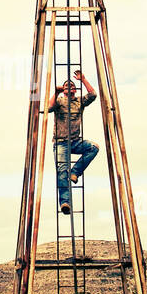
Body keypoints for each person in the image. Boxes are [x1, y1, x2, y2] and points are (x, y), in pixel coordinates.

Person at [48, 70, 99, 215]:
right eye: (66, 85)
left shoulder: (79, 101)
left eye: (71, 85)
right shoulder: (59, 100)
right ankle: (65, 202)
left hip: (75, 141)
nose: (69, 86)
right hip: (61, 142)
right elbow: (49, 108)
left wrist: (83, 79)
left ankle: (75, 172)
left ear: (75, 90)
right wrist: (56, 92)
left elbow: (93, 95)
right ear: (63, 91)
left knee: (94, 148)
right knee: (61, 171)